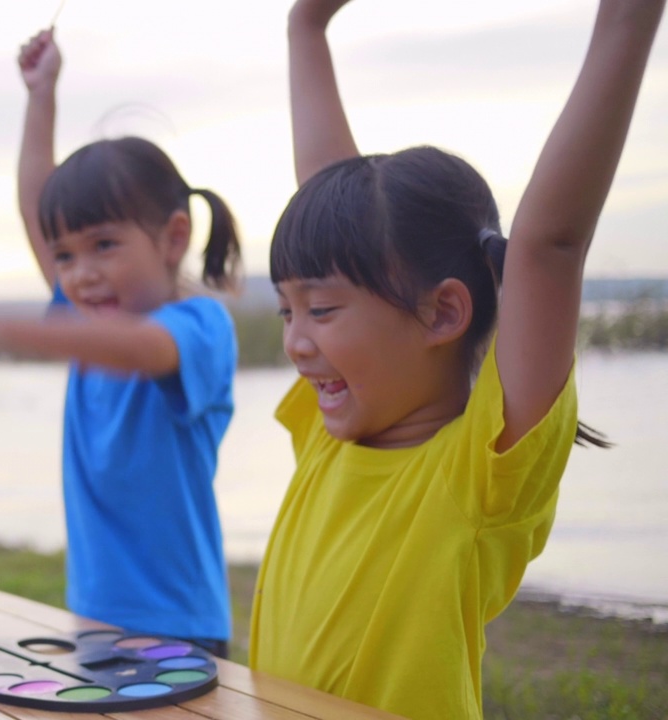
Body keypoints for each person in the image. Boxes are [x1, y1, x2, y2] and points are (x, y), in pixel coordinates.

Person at [249, 1, 664, 717]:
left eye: (321, 310)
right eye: (288, 310)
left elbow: (550, 243)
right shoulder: (330, 434)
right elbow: (326, 187)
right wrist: (305, 27)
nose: (295, 340)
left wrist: (628, 20)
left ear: (443, 312)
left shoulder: (478, 474)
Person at [0, 28, 243, 656]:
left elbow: (136, 350)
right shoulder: (91, 307)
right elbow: (35, 205)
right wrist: (41, 95)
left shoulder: (200, 329)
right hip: (96, 613)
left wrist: (0, 329)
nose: (80, 272)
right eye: (65, 256)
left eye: (104, 245)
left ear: (173, 238)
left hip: (180, 622)